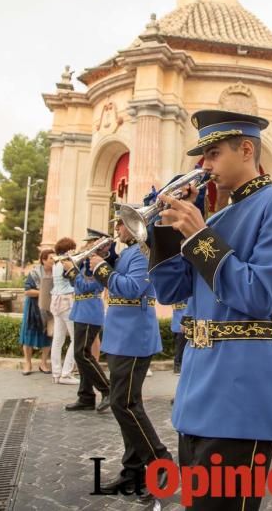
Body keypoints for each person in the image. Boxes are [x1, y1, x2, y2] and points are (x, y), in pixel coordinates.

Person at [149, 109, 272, 511]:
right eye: (202, 157)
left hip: (241, 388)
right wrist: (165, 233)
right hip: (198, 387)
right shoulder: (215, 217)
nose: (204, 166)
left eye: (214, 153)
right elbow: (171, 291)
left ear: (247, 148)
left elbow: (259, 295)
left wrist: (200, 234)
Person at [89, 205, 171, 499]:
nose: (117, 230)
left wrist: (102, 268)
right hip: (121, 336)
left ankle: (160, 463)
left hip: (134, 336)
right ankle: (132, 470)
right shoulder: (126, 254)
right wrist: (102, 266)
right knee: (127, 403)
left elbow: (133, 288)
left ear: (134, 226)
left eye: (121, 225)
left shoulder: (141, 253)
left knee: (123, 404)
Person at [64, 228, 112, 413]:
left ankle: (107, 389)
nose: (86, 246)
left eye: (90, 243)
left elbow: (86, 287)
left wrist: (73, 273)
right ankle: (86, 396)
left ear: (99, 245)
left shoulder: (101, 264)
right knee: (82, 355)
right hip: (81, 311)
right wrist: (71, 268)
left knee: (82, 354)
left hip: (90, 312)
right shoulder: (86, 262)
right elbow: (74, 285)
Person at [19, 249, 53, 375]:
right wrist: (43, 293)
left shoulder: (57, 273)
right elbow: (27, 291)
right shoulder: (34, 273)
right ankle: (28, 363)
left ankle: (43, 363)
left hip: (49, 308)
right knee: (29, 335)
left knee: (48, 334)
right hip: (33, 307)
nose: (53, 261)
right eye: (51, 258)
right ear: (44, 260)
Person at [50, 237, 79, 385]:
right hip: (66, 300)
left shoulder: (56, 263)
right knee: (76, 338)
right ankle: (66, 373)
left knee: (58, 339)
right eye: (73, 248)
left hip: (55, 300)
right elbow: (76, 279)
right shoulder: (66, 262)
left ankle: (56, 373)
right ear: (68, 249)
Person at [171, 300, 187, 374]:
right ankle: (177, 367)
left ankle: (181, 366)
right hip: (179, 324)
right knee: (180, 348)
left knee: (183, 348)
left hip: (182, 324)